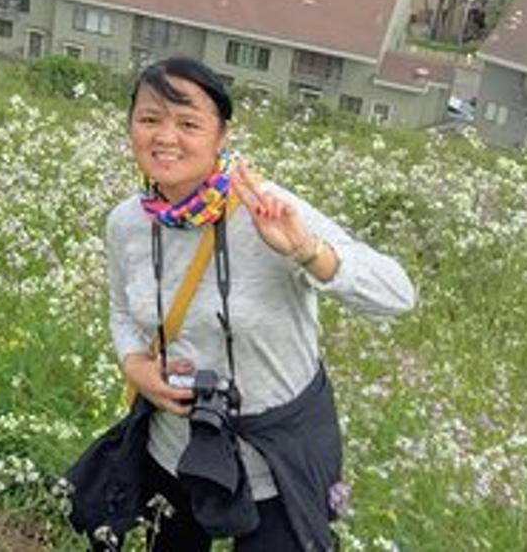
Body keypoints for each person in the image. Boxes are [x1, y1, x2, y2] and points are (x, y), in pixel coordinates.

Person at [105, 57, 416, 550]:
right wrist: (135, 367)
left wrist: (308, 253)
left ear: (221, 135)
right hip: (174, 451)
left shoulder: (266, 210)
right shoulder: (127, 222)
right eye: (149, 120)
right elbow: (122, 312)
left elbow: (397, 295)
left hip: (276, 459)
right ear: (130, 128)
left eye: (188, 123)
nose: (165, 137)